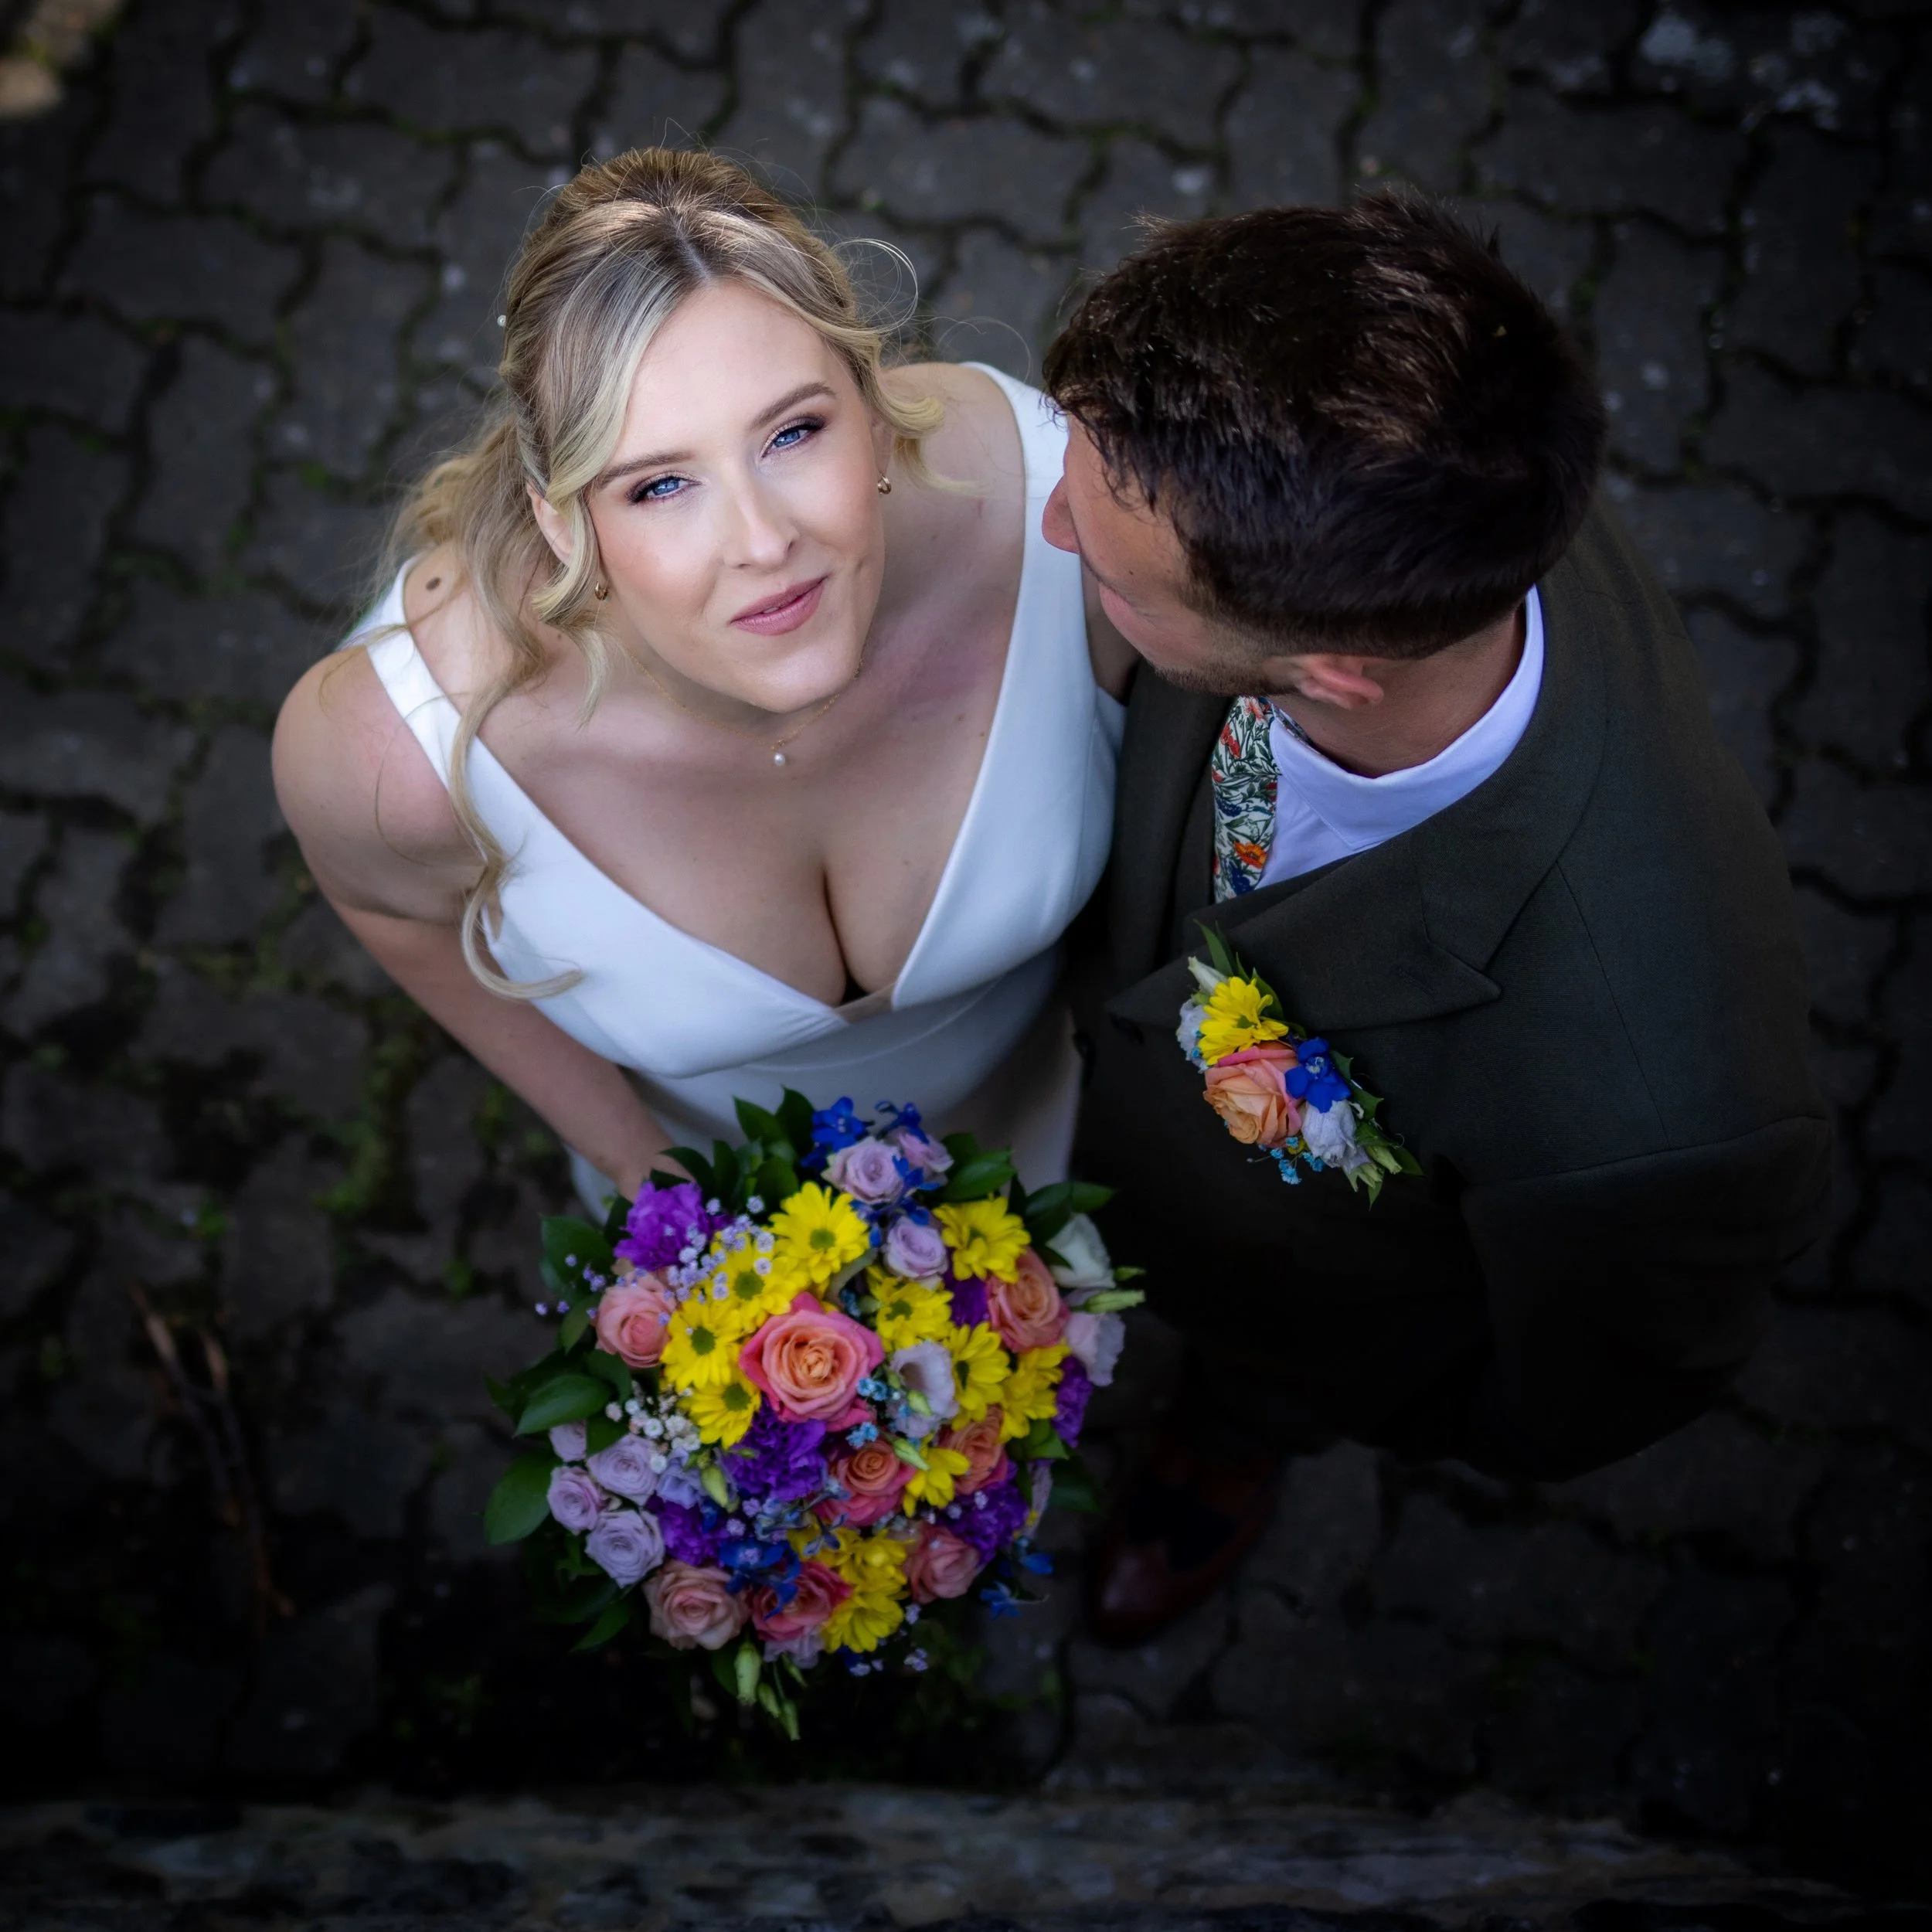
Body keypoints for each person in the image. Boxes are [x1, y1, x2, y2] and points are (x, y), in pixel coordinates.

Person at [1039, 192, 1832, 1645]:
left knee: (1272, 1378)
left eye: (1097, 560)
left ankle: (1235, 1433)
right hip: (1099, 1097)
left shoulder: (1660, 1115)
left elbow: (1578, 1393)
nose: (1049, 531)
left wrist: (1352, 1379)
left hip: (1299, 1303)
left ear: (1336, 672)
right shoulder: (1408, 485)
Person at [274, 149, 1134, 1208]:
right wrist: (647, 1174)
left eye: (793, 431)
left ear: (870, 407)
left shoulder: (1065, 521)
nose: (763, 541)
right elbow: (395, 913)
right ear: (561, 518)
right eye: (662, 484)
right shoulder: (405, 748)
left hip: (1047, 1119)